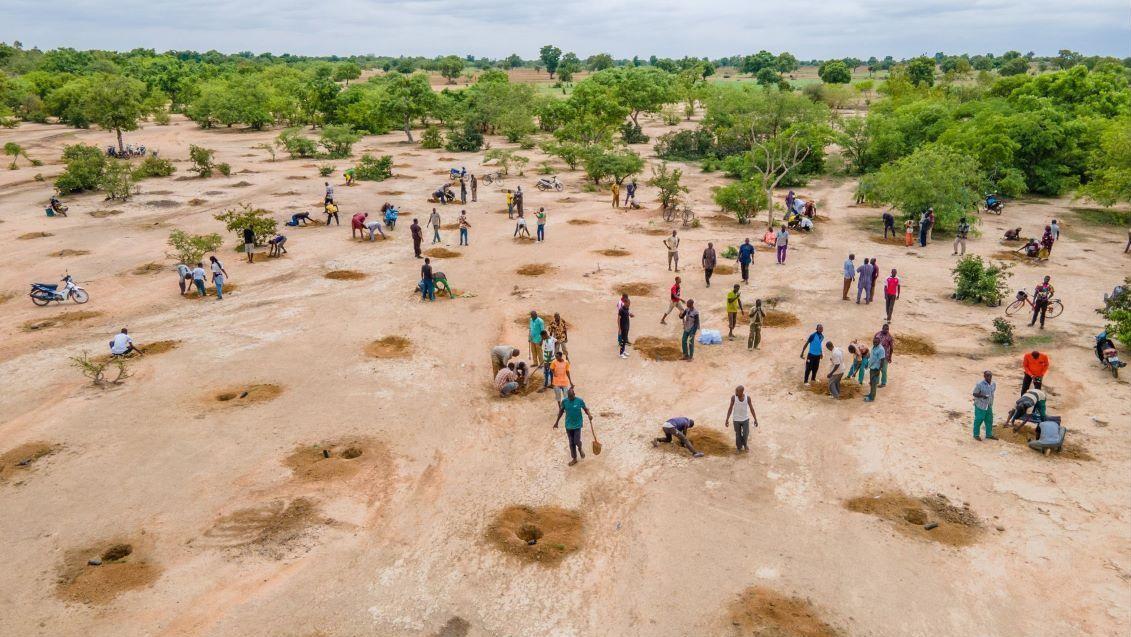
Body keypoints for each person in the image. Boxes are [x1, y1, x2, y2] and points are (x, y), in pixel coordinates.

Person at [553, 388, 593, 466]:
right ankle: (574, 458)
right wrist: (556, 422)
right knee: (571, 443)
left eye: (572, 397)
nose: (571, 398)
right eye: (569, 397)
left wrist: (589, 414)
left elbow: (585, 409)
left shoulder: (579, 401)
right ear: (568, 396)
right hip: (568, 425)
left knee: (576, 441)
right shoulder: (565, 401)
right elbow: (561, 411)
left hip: (577, 424)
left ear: (574, 394)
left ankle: (580, 448)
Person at [724, 386, 758, 452]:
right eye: (735, 391)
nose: (735, 392)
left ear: (742, 392)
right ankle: (739, 447)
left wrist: (755, 419)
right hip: (736, 420)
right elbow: (730, 408)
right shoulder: (733, 398)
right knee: (738, 434)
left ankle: (745, 444)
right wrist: (727, 419)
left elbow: (752, 409)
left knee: (746, 433)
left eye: (737, 391)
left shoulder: (747, 398)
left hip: (745, 419)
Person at [972, 370, 997, 440]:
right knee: (979, 420)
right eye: (987, 376)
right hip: (980, 406)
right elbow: (974, 393)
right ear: (984, 376)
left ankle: (989, 434)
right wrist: (982, 396)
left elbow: (992, 393)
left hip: (989, 405)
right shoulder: (979, 384)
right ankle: (976, 435)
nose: (989, 377)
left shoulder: (993, 384)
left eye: (990, 376)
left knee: (989, 420)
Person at [864, 337, 886, 402]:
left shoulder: (881, 349)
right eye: (873, 342)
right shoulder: (874, 347)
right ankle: (870, 394)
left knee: (873, 384)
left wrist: (879, 370)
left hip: (876, 368)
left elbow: (882, 361)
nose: (874, 343)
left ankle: (871, 398)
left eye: (876, 342)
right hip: (872, 367)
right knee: (871, 383)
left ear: (879, 342)